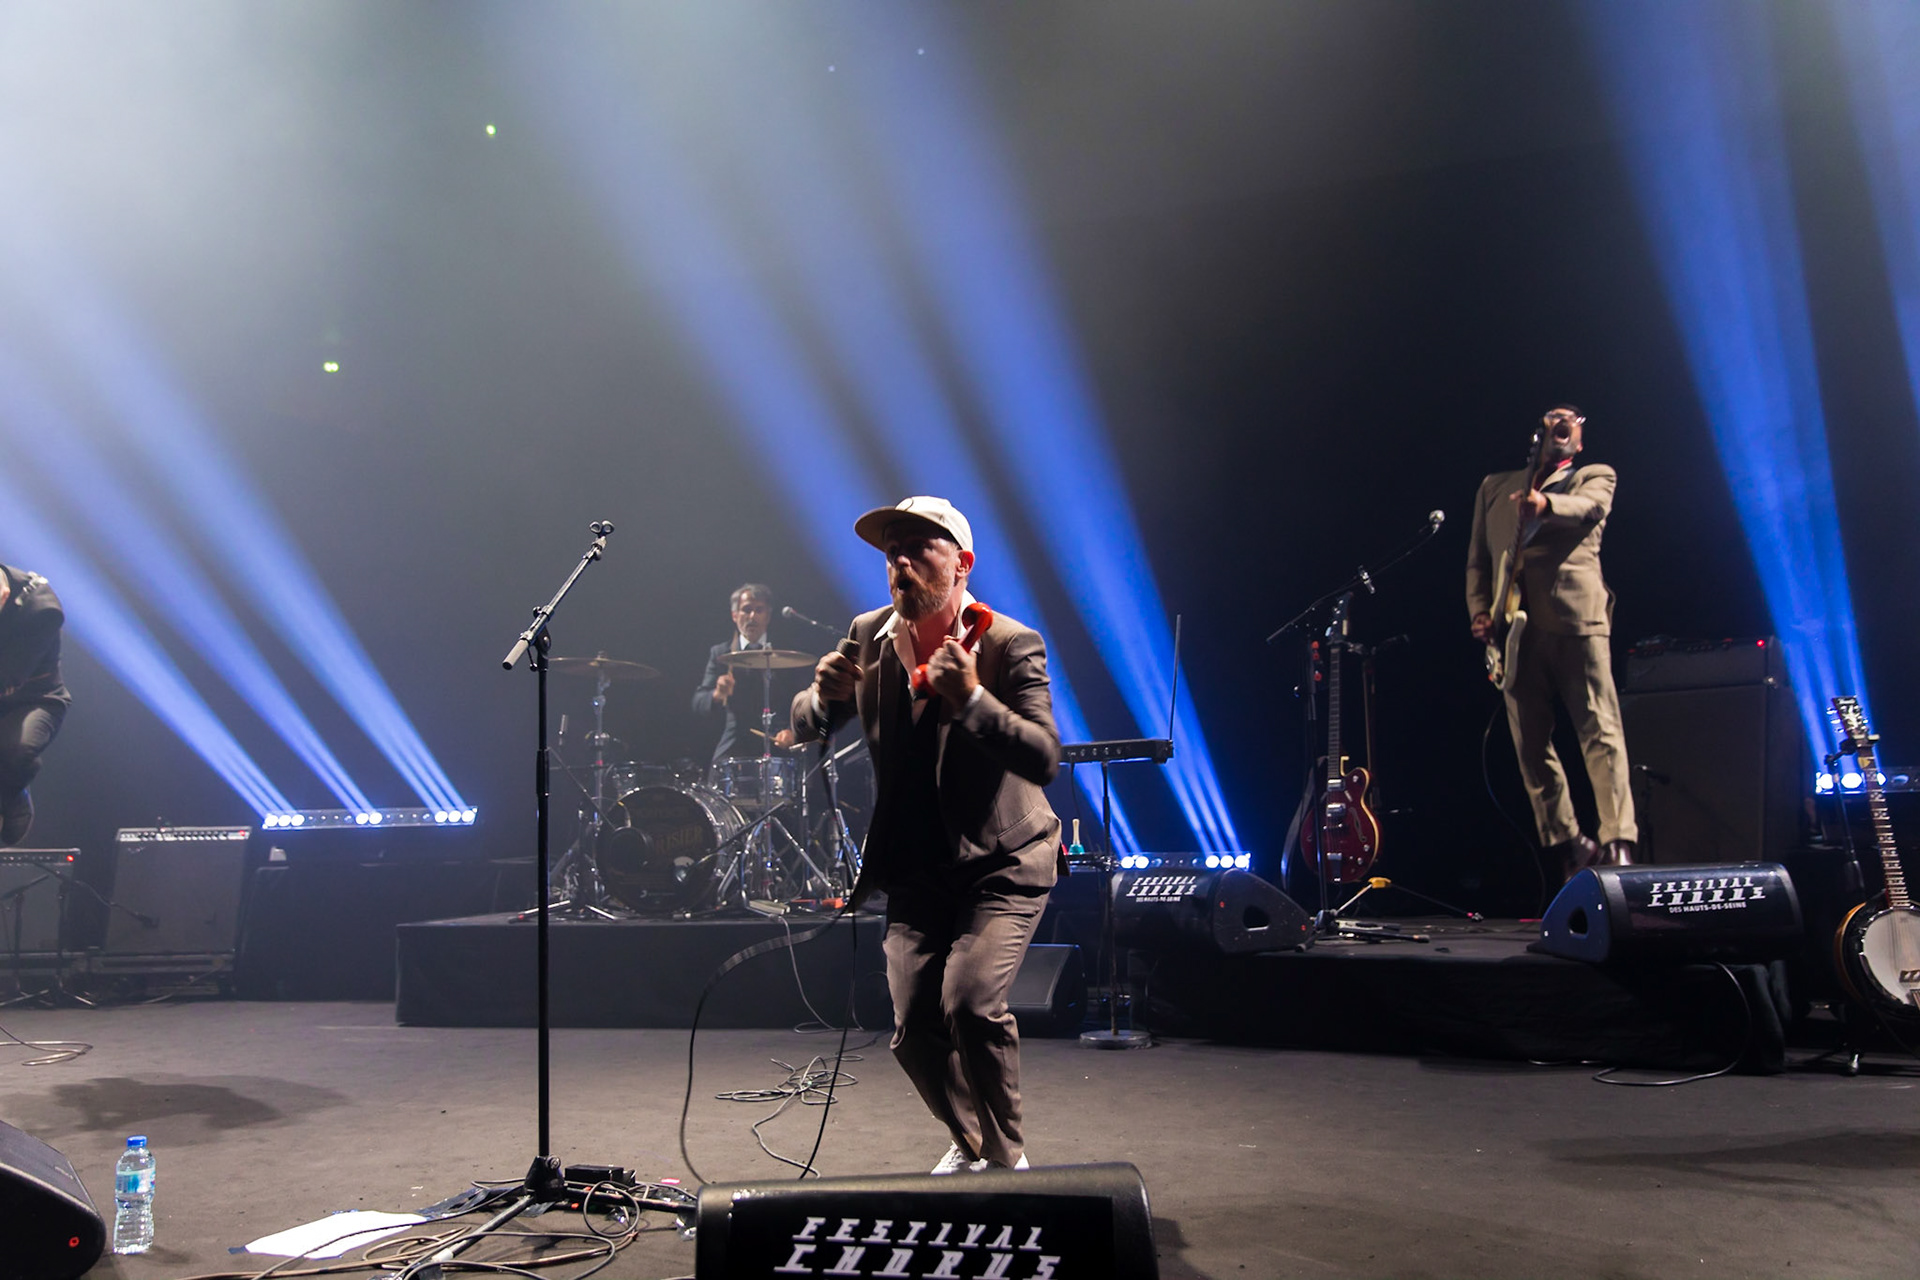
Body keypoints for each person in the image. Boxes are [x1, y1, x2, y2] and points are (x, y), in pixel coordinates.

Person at [792, 496, 1060, 1173]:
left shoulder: (1007, 643)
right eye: (891, 553)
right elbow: (806, 719)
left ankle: (1005, 1161)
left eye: (919, 549)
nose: (900, 564)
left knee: (969, 1002)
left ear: (962, 564)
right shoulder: (867, 632)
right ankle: (968, 1139)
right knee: (913, 1031)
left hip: (1002, 861)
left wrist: (973, 699)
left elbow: (1043, 756)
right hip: (918, 867)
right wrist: (821, 699)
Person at [1467, 405, 1637, 880]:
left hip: (1576, 620)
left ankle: (1618, 839)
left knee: (1599, 733)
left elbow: (1591, 508)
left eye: (1574, 420)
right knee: (1529, 746)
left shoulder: (1593, 475)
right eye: (1553, 418)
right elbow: (1478, 561)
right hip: (1513, 630)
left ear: (1578, 440)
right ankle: (1567, 841)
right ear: (1538, 433)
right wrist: (1480, 611)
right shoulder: (1494, 487)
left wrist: (1545, 505)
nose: (1563, 420)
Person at [0, 563, 71, 847]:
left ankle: (12, 800)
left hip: (35, 699)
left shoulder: (42, 610)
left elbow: (8, 677)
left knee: (14, 750)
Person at [692, 583, 796, 763]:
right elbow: (698, 702)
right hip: (736, 740)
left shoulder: (785, 654)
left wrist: (791, 730)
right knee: (717, 773)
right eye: (746, 610)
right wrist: (717, 694)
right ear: (734, 615)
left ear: (768, 616)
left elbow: (798, 700)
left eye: (759, 610)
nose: (752, 616)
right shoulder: (721, 653)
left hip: (777, 741)